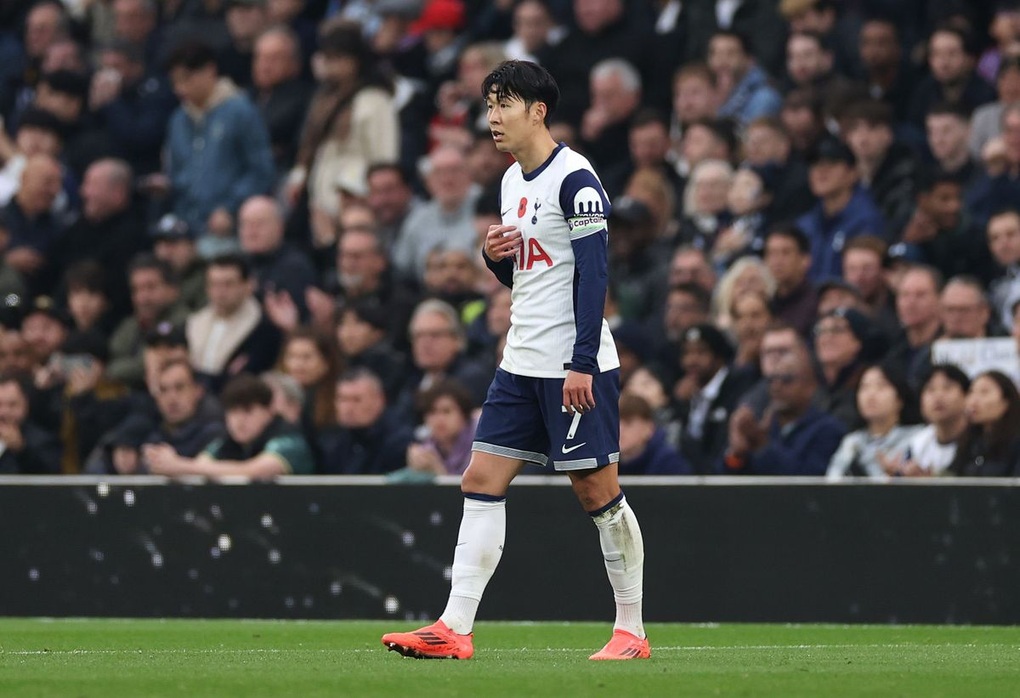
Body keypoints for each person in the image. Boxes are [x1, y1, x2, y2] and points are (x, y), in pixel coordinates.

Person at [382, 60, 648, 661]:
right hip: (521, 359)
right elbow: (528, 276)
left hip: (572, 365)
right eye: (489, 105)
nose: (493, 118)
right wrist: (494, 256)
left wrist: (582, 361)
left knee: (596, 492)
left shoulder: (576, 180)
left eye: (504, 104)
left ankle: (631, 630)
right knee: (480, 481)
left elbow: (593, 274)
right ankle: (454, 628)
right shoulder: (510, 181)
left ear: (538, 110)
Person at [145, 373, 314, 479]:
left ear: (269, 411)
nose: (238, 421)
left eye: (248, 411)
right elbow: (201, 465)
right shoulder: (224, 443)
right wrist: (164, 463)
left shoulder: (289, 440)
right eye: (232, 412)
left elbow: (254, 472)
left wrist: (180, 465)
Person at [826, 363, 921, 480]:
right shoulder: (852, 442)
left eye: (881, 387)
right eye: (864, 387)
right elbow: (832, 483)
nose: (870, 395)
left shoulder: (919, 438)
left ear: (900, 398)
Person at [893, 364, 970, 477]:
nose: (938, 396)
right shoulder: (918, 444)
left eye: (947, 388)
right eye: (930, 389)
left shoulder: (979, 443)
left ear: (966, 396)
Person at [948, 370, 1020, 477]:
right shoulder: (969, 442)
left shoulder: (1015, 444)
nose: (973, 401)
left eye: (984, 392)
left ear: (1006, 401)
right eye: (971, 392)